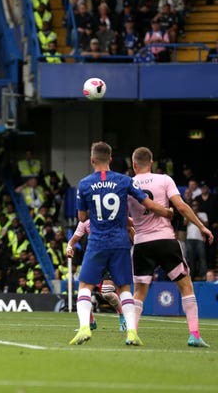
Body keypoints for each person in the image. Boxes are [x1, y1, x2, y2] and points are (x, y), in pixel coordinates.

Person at [70, 142, 173, 346]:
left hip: (97, 241)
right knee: (124, 288)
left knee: (85, 286)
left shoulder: (84, 184)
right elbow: (147, 203)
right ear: (110, 159)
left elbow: (82, 218)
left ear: (92, 160)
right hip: (120, 242)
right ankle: (132, 332)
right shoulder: (124, 181)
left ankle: (84, 327)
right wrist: (167, 213)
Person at [127, 147, 213, 348]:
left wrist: (135, 231)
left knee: (139, 291)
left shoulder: (128, 184)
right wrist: (201, 227)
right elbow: (181, 206)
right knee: (186, 286)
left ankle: (132, 333)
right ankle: (194, 335)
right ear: (152, 163)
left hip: (141, 244)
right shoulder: (164, 179)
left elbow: (124, 218)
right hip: (165, 241)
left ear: (134, 165)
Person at [66, 219, 127, 332]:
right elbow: (73, 240)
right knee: (83, 293)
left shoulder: (109, 216)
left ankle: (123, 316)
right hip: (93, 260)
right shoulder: (84, 221)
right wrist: (69, 248)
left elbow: (127, 227)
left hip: (109, 259)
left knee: (107, 293)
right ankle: (90, 322)